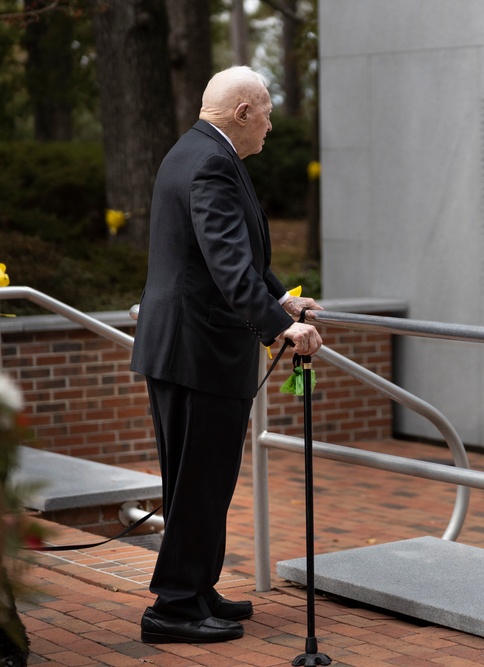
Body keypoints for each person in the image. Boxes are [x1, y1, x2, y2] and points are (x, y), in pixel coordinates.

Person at [130, 66, 323, 644]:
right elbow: (227, 267)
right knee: (200, 483)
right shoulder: (213, 163)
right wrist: (278, 328)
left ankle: (196, 588)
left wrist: (282, 300)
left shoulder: (193, 151)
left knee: (199, 482)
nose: (270, 124)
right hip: (198, 352)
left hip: (186, 348)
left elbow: (238, 255)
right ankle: (173, 609)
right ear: (242, 112)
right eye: (266, 111)